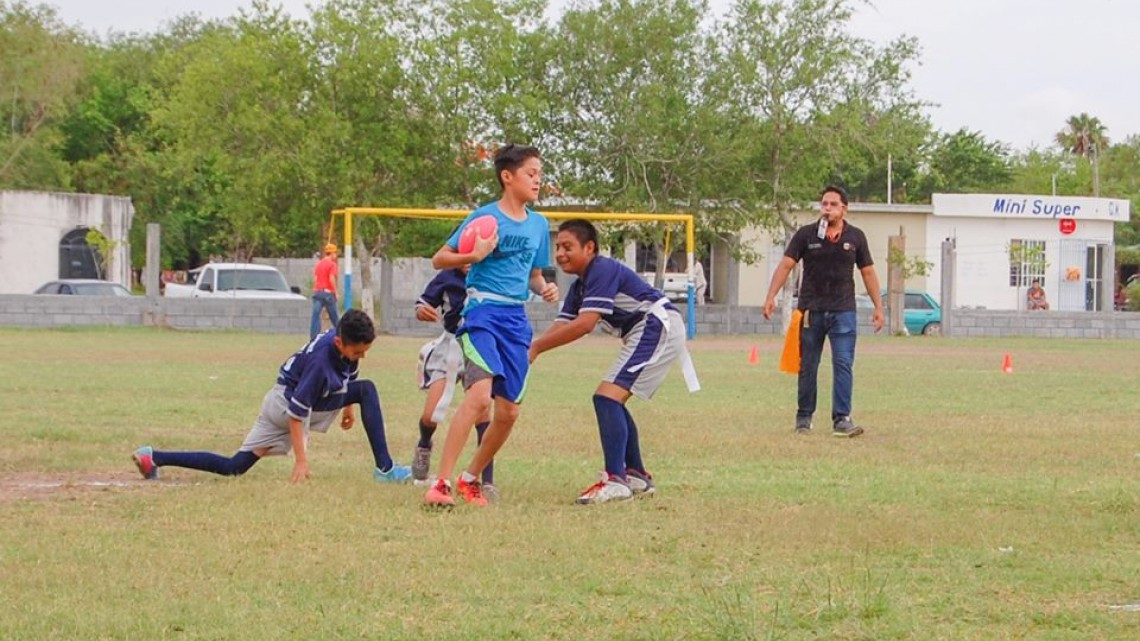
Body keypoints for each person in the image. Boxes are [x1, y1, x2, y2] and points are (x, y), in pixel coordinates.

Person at [422, 144, 558, 508]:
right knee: (480, 397)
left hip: (516, 320)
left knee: (509, 412)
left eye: (540, 175)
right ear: (507, 176)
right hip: (482, 313)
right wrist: (473, 255)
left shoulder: (539, 225)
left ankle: (470, 480)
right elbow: (440, 258)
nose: (538, 181)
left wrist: (545, 287)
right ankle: (440, 484)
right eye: (531, 174)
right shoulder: (484, 218)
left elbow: (534, 275)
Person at [131, 309, 412, 484]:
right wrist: (301, 461)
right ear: (340, 342)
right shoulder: (321, 363)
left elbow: (349, 374)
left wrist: (349, 408)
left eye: (364, 351)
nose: (361, 356)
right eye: (358, 352)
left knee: (234, 466)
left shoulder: (339, 340)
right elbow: (296, 415)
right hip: (286, 407)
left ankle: (153, 457)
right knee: (367, 389)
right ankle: (385, 469)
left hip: (277, 400)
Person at [530, 220, 700, 504]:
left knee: (607, 398)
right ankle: (635, 475)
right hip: (649, 329)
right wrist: (530, 350)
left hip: (656, 326)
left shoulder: (602, 269)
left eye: (567, 247)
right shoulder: (580, 286)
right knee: (610, 399)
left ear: (589, 248)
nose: (559, 254)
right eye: (557, 247)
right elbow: (563, 324)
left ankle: (615, 481)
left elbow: (584, 325)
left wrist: (536, 348)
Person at [762, 185, 884, 438]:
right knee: (808, 365)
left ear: (844, 209)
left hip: (843, 311)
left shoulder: (856, 237)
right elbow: (786, 265)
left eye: (833, 204)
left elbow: (868, 272)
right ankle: (804, 418)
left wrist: (878, 307)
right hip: (811, 311)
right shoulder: (806, 235)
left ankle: (842, 419)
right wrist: (771, 296)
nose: (827, 209)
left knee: (843, 363)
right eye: (824, 204)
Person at [412, 265, 498, 500]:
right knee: (431, 414)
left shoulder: (491, 273)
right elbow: (423, 304)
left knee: (483, 409)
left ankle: (486, 480)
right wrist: (422, 311)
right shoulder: (447, 277)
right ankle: (424, 444)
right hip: (450, 346)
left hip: (479, 343)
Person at [310, 243, 340, 339]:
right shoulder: (332, 264)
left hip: (318, 292)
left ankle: (313, 337)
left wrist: (314, 289)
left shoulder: (319, 264)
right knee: (334, 316)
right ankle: (341, 334)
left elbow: (315, 278)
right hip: (328, 293)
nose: (336, 255)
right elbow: (331, 278)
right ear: (332, 253)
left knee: (315, 315)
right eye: (335, 253)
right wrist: (336, 292)